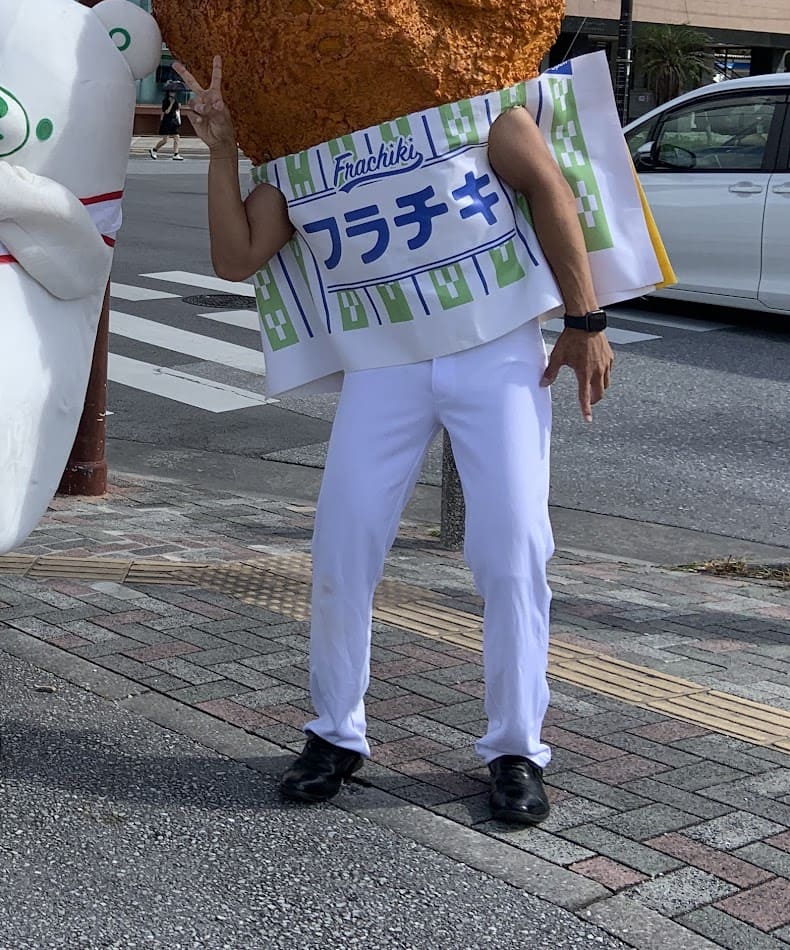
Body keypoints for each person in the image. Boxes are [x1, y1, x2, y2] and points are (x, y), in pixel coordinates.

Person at [175, 56, 615, 827]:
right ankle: (334, 733)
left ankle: (517, 747)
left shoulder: (481, 111)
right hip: (384, 361)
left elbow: (550, 189)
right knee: (343, 543)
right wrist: (221, 151)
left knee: (514, 549)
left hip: (499, 349)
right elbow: (236, 256)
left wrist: (585, 319)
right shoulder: (312, 158)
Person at [150, 80, 187, 161]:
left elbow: (176, 111)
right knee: (165, 140)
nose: (174, 93)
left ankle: (176, 154)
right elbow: (166, 111)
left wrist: (177, 106)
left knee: (177, 137)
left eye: (174, 92)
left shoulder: (175, 101)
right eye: (172, 92)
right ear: (169, 92)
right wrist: (171, 104)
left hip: (173, 121)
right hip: (167, 121)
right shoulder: (165, 101)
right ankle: (154, 150)